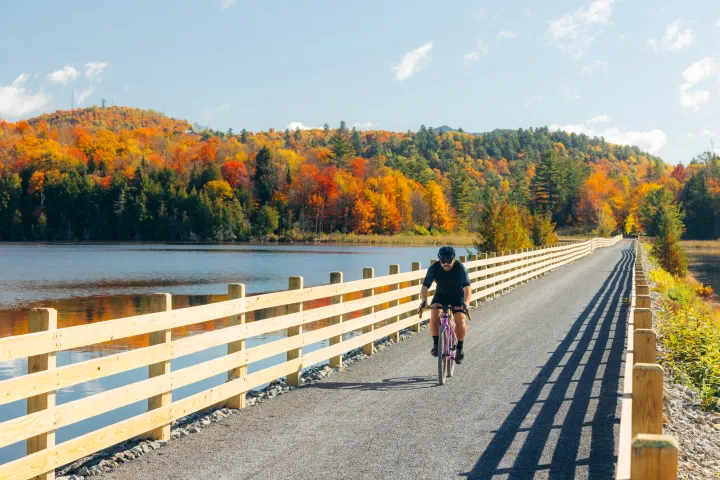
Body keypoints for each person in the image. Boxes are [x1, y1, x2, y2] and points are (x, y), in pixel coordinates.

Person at [417, 245, 471, 364]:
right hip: (441, 295)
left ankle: (459, 348)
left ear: (454, 259)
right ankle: (436, 344)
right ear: (439, 260)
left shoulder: (460, 268)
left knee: (460, 319)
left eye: (449, 261)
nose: (446, 263)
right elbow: (425, 286)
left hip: (458, 296)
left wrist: (466, 303)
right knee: (434, 314)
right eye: (443, 261)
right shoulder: (434, 268)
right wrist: (424, 300)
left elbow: (467, 287)